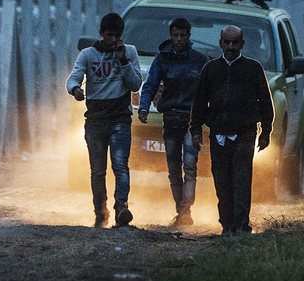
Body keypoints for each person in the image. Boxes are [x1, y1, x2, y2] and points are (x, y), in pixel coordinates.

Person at [189, 25, 274, 235]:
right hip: (218, 134)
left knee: (242, 179)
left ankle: (241, 225)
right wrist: (195, 129)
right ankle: (226, 225)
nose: (230, 46)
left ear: (242, 44)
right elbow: (200, 101)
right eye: (227, 42)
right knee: (222, 181)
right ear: (220, 43)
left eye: (235, 42)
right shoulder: (211, 69)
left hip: (245, 134)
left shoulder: (253, 69)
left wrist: (266, 132)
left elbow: (265, 101)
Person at [67, 12, 143, 228]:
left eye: (116, 36)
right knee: (97, 170)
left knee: (120, 165)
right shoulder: (88, 55)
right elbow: (74, 76)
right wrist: (75, 89)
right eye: (109, 35)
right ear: (101, 34)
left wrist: (123, 61)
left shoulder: (129, 52)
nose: (112, 40)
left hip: (120, 118)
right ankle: (100, 210)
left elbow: (135, 84)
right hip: (95, 120)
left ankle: (122, 206)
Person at [138, 17, 209, 226]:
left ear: (189, 36)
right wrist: (143, 107)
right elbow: (150, 84)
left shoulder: (199, 60)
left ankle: (186, 210)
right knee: (173, 169)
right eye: (175, 35)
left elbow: (208, 90)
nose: (179, 39)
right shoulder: (162, 59)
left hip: (190, 121)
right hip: (170, 119)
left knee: (190, 166)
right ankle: (181, 209)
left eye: (183, 35)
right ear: (171, 35)